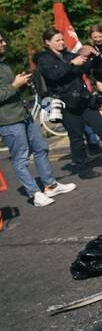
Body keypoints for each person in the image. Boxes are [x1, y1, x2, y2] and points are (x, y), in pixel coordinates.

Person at [0, 32, 76, 206]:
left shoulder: (3, 64)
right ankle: (35, 194)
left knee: (41, 148)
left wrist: (21, 83)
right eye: (0, 41)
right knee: (21, 158)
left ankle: (50, 185)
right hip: (8, 120)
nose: (4, 43)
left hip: (23, 114)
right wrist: (15, 85)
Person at [34, 28, 102, 176]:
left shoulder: (68, 55)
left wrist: (91, 57)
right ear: (48, 42)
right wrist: (72, 64)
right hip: (66, 104)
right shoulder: (44, 59)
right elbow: (53, 75)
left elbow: (83, 69)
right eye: (57, 40)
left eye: (62, 39)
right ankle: (82, 168)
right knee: (76, 137)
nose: (61, 42)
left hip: (84, 99)